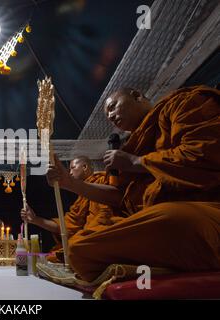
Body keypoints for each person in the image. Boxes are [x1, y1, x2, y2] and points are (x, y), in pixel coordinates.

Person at [47, 86, 220, 282]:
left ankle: (155, 266)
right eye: (107, 115)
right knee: (79, 249)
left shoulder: (183, 103)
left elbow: (202, 155)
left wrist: (136, 162)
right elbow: (120, 197)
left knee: (170, 218)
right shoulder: (133, 146)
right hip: (150, 220)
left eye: (113, 107)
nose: (111, 116)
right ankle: (163, 266)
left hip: (200, 211)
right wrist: (69, 183)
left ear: (137, 96)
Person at [21, 156, 121, 262]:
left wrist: (85, 236)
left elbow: (105, 218)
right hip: (87, 239)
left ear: (85, 167)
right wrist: (35, 220)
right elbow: (69, 224)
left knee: (73, 247)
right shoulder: (82, 196)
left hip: (102, 237)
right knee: (56, 254)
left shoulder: (102, 181)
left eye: (73, 168)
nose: (70, 172)